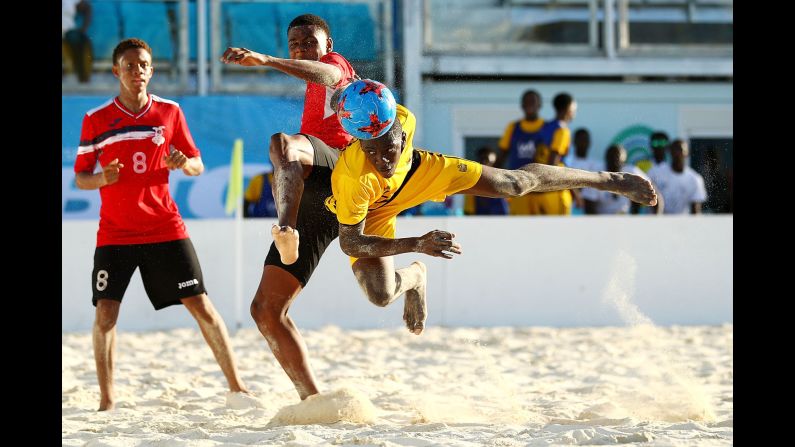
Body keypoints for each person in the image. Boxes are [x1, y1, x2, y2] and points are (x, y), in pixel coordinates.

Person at [329, 100, 657, 338]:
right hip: (374, 209)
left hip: (422, 173)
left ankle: (608, 180)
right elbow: (350, 241)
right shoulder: (354, 177)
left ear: (403, 136)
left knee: (515, 183)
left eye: (388, 149)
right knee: (380, 295)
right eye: (371, 152)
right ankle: (416, 278)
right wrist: (416, 244)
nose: (382, 160)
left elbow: (356, 90)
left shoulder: (402, 116)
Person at [73, 38, 251, 411]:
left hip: (165, 228)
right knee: (105, 313)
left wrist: (183, 163)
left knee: (201, 305)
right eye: (129, 65)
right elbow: (81, 178)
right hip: (115, 234)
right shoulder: (96, 119)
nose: (137, 71)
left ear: (151, 71)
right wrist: (102, 178)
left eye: (143, 65)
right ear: (116, 71)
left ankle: (237, 386)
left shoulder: (170, 112)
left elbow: (197, 164)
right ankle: (107, 401)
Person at [220, 14, 356, 400]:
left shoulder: (335, 65)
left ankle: (286, 228)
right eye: (294, 44)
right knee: (265, 310)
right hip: (320, 201)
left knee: (284, 143)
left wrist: (265, 59)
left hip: (339, 166)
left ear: (328, 45)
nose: (301, 48)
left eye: (309, 41)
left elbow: (324, 76)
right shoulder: (313, 70)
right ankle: (312, 399)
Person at [523, 92, 577, 215]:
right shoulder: (562, 130)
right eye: (574, 109)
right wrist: (574, 192)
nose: (574, 113)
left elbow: (535, 155)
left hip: (537, 188)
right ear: (568, 109)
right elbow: (553, 162)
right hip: (555, 190)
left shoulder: (544, 127)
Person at [496, 89, 545, 215]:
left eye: (532, 102)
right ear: (521, 105)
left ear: (539, 105)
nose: (529, 105)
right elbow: (501, 157)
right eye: (526, 102)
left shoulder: (547, 128)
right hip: (519, 188)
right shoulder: (513, 127)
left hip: (542, 190)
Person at [585, 144, 653, 215]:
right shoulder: (597, 175)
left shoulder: (631, 172)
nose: (615, 162)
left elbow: (653, 191)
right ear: (606, 159)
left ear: (624, 160)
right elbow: (588, 205)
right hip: (602, 219)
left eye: (617, 159)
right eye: (612, 159)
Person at [650, 139, 707, 214]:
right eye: (674, 150)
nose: (677, 153)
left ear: (687, 153)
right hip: (658, 221)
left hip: (683, 223)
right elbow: (649, 199)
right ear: (670, 152)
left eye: (680, 150)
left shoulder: (695, 179)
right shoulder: (655, 172)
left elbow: (696, 209)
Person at [464, 147, 508, 215]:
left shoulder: (503, 185)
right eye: (484, 161)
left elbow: (507, 213)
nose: (488, 167)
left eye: (492, 164)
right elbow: (468, 213)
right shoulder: (470, 185)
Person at [566, 128, 600, 214]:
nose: (583, 143)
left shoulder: (596, 165)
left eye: (586, 140)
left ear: (590, 143)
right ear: (574, 142)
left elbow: (594, 194)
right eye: (580, 139)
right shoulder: (566, 162)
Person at [62, 0, 93, 83]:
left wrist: (84, 28)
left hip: (67, 31)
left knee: (81, 40)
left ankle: (83, 78)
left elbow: (87, 7)